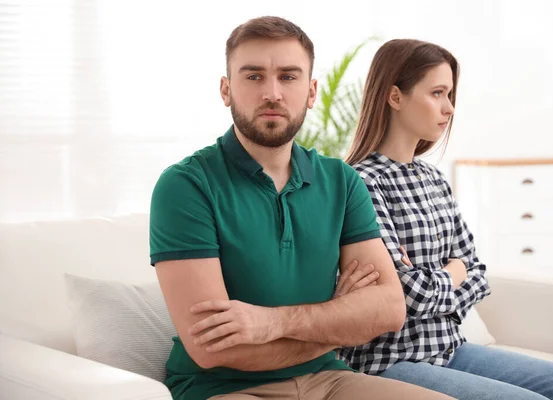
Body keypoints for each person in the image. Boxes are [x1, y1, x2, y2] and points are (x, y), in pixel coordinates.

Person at [149, 17, 453, 400]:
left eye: (289, 77)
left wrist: (271, 322)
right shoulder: (186, 185)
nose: (272, 93)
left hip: (331, 379)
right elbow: (214, 348)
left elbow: (389, 309)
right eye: (254, 76)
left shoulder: (342, 181)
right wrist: (338, 321)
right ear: (226, 90)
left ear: (311, 92)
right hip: (224, 388)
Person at [341, 38, 553, 400]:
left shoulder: (434, 180)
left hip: (451, 349)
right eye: (437, 93)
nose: (448, 108)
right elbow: (405, 298)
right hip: (391, 359)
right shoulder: (362, 183)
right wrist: (452, 273)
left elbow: (477, 274)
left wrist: (441, 278)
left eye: (450, 95)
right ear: (395, 97)